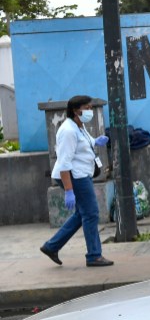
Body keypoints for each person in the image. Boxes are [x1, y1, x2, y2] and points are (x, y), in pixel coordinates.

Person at [40, 95, 113, 267]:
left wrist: (96, 141)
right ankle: (94, 255)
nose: (90, 111)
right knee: (91, 213)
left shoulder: (79, 126)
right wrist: (69, 190)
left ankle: (52, 246)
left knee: (83, 214)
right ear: (75, 110)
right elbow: (64, 162)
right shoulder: (68, 131)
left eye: (90, 107)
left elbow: (82, 145)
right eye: (86, 108)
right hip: (74, 176)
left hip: (80, 174)